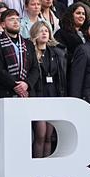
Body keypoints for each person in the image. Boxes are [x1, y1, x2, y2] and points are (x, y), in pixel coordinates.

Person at [29, 22, 66, 163]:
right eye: (41, 31)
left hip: (52, 96)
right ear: (34, 34)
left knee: (49, 136)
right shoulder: (31, 53)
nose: (44, 33)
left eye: (46, 30)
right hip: (38, 97)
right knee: (40, 134)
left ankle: (47, 171)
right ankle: (37, 171)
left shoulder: (55, 53)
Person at [0, 9, 40, 102]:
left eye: (18, 19)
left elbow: (35, 68)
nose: (15, 22)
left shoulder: (28, 44)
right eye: (11, 19)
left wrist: (27, 84)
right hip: (4, 93)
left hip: (27, 93)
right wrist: (15, 85)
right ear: (3, 24)